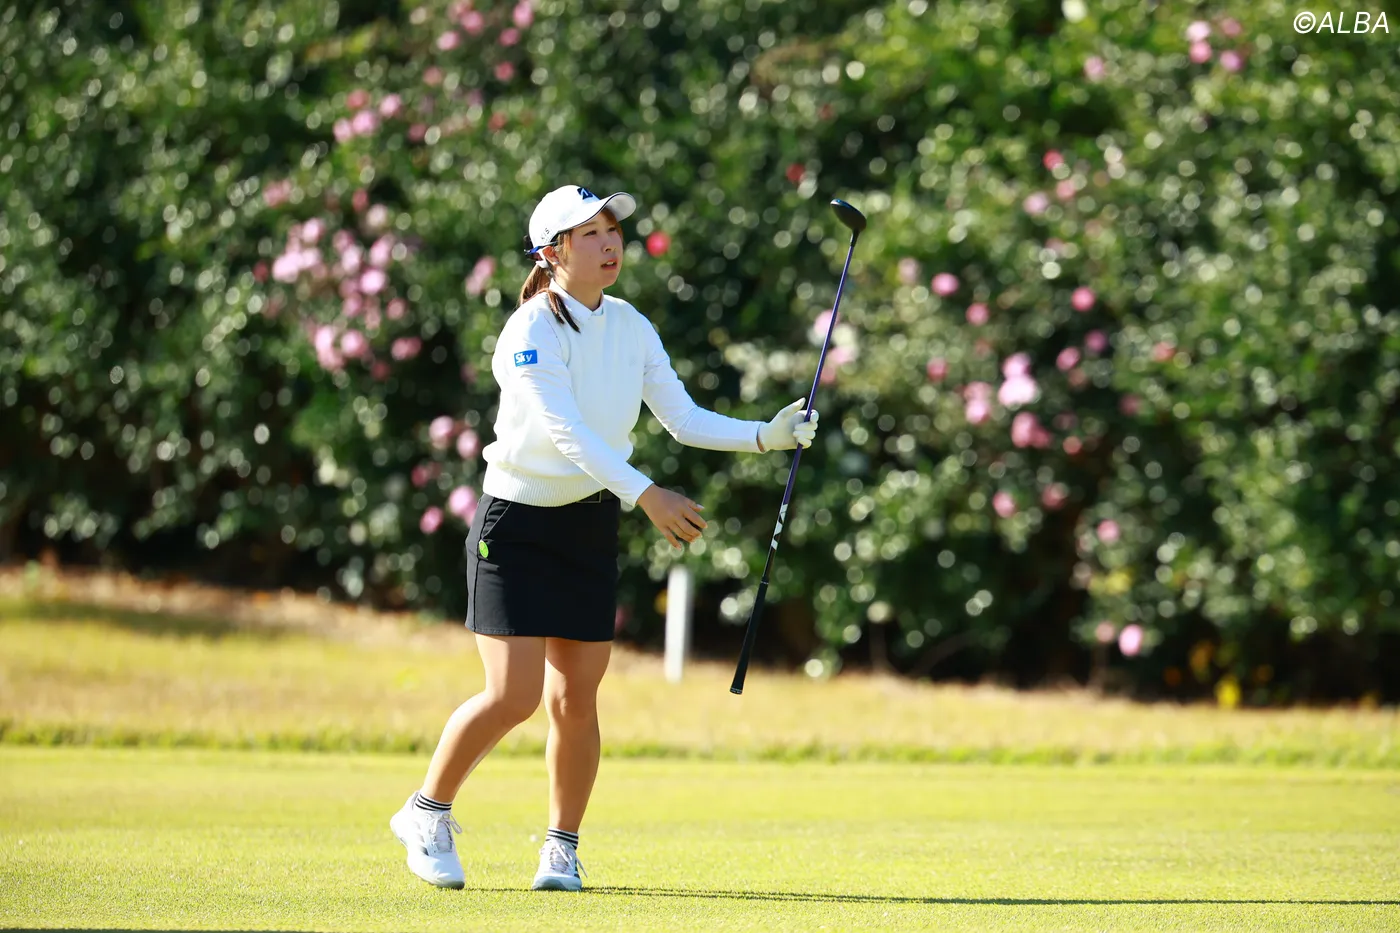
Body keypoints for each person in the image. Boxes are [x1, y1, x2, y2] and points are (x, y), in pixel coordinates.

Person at [389, 184, 819, 892]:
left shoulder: (630, 325)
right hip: (516, 525)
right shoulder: (530, 331)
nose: (609, 241)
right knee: (513, 695)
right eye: (588, 233)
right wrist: (647, 493)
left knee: (576, 700)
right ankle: (425, 812)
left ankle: (560, 848)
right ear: (551, 252)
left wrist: (764, 437)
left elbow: (682, 418)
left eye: (612, 228)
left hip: (587, 523)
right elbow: (567, 433)